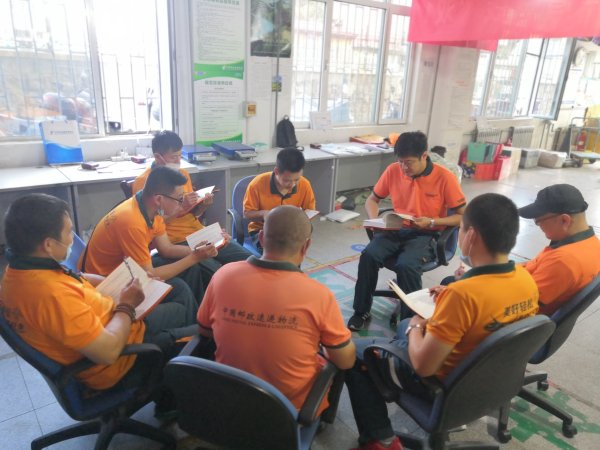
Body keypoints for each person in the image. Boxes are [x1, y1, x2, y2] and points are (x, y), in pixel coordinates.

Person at [345, 193, 539, 450]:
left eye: (461, 230)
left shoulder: (463, 295)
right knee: (401, 327)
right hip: (490, 377)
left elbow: (423, 367)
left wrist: (416, 324)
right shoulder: (526, 280)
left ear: (471, 236)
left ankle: (380, 439)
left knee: (354, 352)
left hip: (440, 383)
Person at [0, 194, 198, 396]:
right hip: (120, 359)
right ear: (48, 245)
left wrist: (122, 281)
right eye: (68, 232)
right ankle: (178, 376)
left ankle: (177, 368)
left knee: (177, 288)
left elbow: (77, 277)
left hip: (111, 319)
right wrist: (127, 306)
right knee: (199, 331)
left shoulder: (22, 270)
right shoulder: (51, 296)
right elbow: (108, 353)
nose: (72, 238)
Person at [197, 205, 355, 413]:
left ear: (261, 238)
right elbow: (345, 361)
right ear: (306, 246)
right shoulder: (319, 295)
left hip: (228, 397)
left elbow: (204, 330)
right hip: (287, 412)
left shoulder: (223, 275)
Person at [348, 131, 467, 331]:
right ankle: (361, 311)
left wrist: (432, 222)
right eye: (401, 161)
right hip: (396, 229)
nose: (404, 168)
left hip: (426, 234)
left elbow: (463, 216)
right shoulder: (393, 171)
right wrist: (375, 219)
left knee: (406, 265)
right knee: (369, 255)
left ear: (424, 156)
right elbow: (372, 200)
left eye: (409, 162)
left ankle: (409, 324)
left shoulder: (445, 177)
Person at [82, 166, 219, 305]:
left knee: (191, 269)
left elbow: (166, 249)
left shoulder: (150, 207)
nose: (182, 203)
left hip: (127, 268)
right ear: (159, 199)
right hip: (106, 280)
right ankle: (195, 315)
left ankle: (199, 313)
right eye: (179, 199)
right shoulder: (132, 222)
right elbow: (150, 273)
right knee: (180, 289)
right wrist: (194, 257)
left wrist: (196, 251)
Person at [132, 130, 251, 284]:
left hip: (199, 232)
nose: (178, 161)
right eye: (173, 157)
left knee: (249, 262)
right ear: (158, 157)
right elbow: (150, 225)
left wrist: (202, 206)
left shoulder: (182, 174)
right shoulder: (144, 183)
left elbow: (192, 214)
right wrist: (179, 209)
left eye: (179, 156)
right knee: (220, 275)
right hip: (176, 240)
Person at [518, 184, 600, 315]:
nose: (539, 226)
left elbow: (516, 303)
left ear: (564, 220)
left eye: (538, 221)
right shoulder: (593, 244)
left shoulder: (563, 261)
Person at [243, 148, 316, 253]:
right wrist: (264, 214)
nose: (292, 185)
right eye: (287, 180)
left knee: (295, 250)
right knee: (277, 253)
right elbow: (247, 214)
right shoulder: (257, 185)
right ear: (276, 171)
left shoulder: (305, 184)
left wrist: (299, 221)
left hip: (291, 230)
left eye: (296, 180)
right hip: (262, 230)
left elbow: (310, 211)